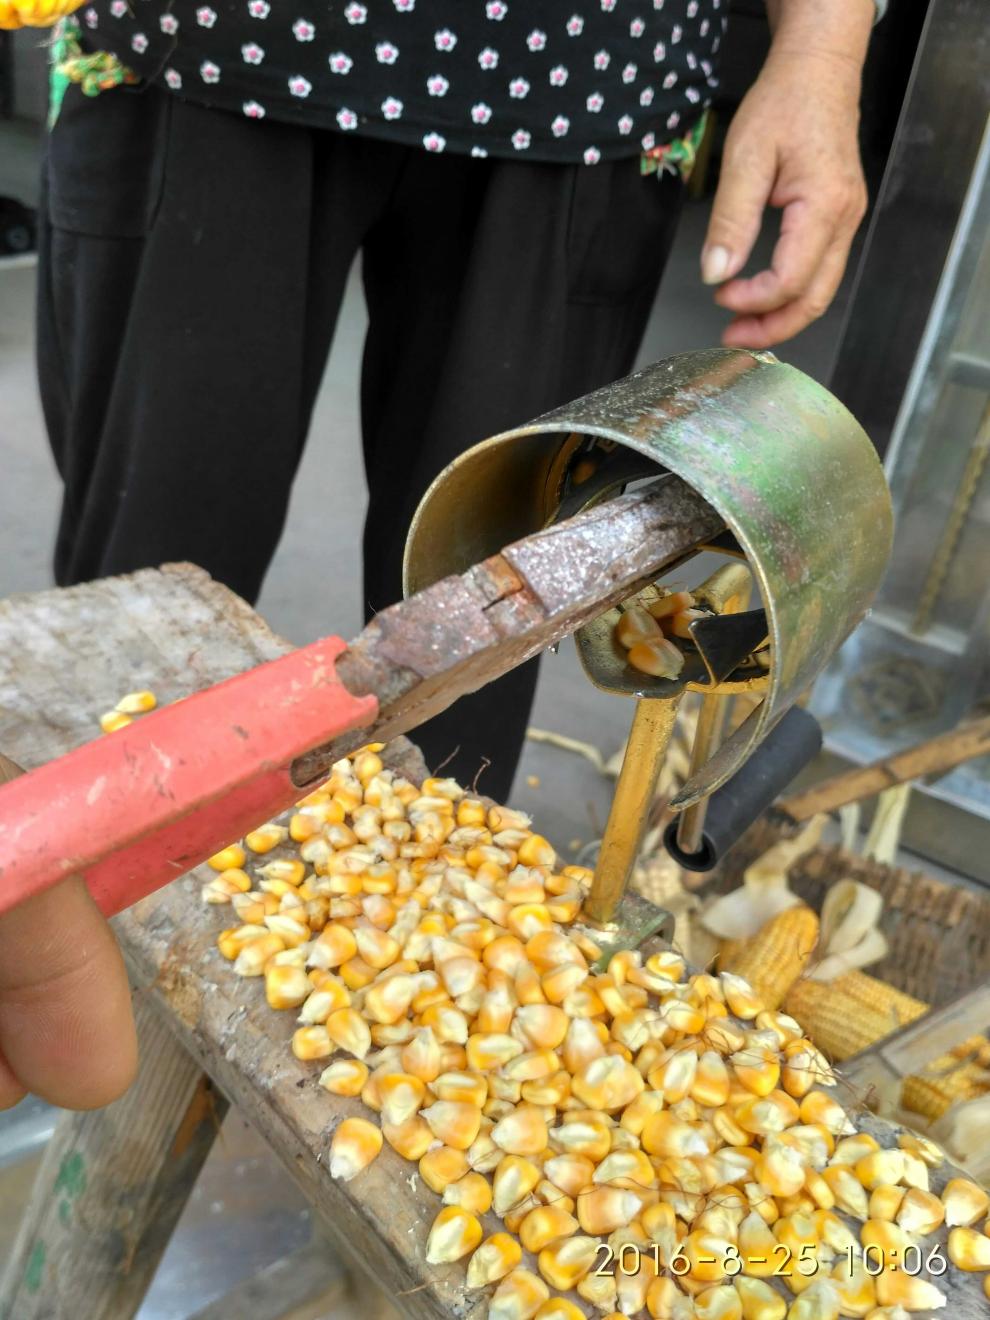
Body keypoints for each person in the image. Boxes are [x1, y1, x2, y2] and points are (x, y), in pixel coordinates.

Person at [0, 0, 878, 1111]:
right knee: (132, 614)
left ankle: (403, 1053)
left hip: (582, 68)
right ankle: (57, 1013)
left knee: (483, 640)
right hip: (213, 38)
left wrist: (819, 50)